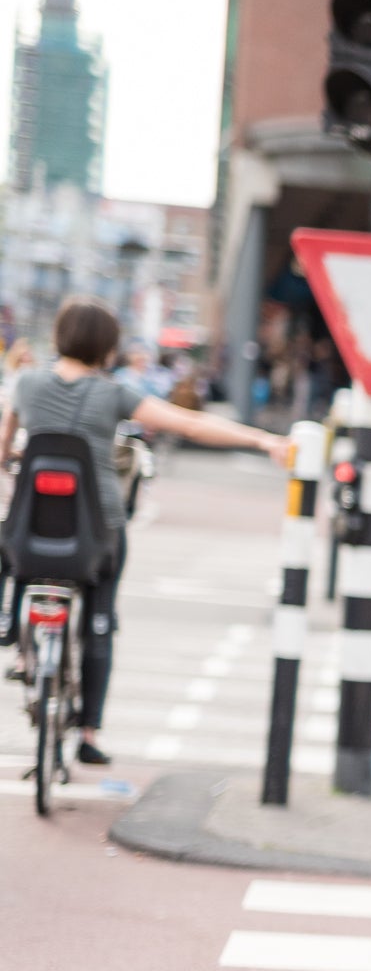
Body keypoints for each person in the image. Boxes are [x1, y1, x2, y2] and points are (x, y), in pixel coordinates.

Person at [0, 296, 289, 765]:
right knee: (100, 622)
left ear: (59, 338)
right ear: (108, 348)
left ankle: (12, 627)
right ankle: (89, 732)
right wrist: (261, 439)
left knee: (8, 540)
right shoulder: (115, 394)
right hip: (98, 533)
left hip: (33, 528)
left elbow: (4, 447)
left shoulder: (28, 385)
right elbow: (189, 424)